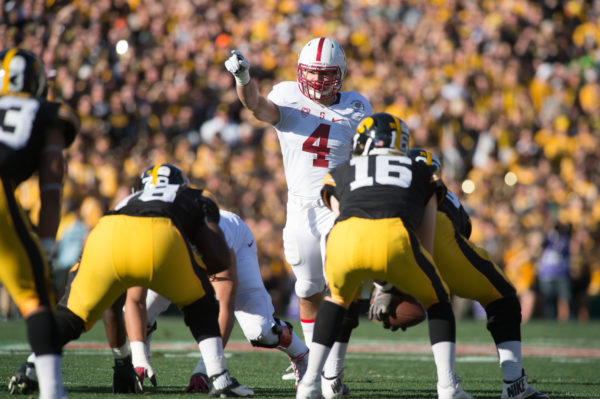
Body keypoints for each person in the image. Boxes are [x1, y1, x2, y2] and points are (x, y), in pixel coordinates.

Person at [10, 164, 254, 398]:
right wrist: (206, 267)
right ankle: (219, 377)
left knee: (71, 316)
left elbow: (115, 307)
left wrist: (123, 361)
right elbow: (219, 257)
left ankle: (31, 364)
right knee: (200, 302)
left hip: (104, 234)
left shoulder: (126, 201)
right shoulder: (195, 195)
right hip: (160, 234)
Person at [225, 37, 373, 395]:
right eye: (313, 74)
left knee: (340, 287)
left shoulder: (357, 105)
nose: (319, 82)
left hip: (339, 205)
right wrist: (243, 78)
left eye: (326, 75)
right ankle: (311, 363)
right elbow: (256, 106)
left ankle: (330, 374)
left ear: (340, 75)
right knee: (307, 288)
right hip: (300, 206)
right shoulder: (288, 95)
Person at [296, 113, 473, 399]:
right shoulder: (422, 171)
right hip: (393, 239)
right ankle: (448, 387)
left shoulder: (341, 170)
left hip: (343, 241)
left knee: (337, 300)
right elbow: (424, 245)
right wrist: (393, 285)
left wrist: (367, 281)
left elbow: (340, 221)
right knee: (439, 299)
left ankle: (310, 385)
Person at [370, 148, 549, 399]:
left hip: (388, 241)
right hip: (441, 235)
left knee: (339, 296)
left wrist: (385, 287)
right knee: (502, 296)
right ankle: (513, 384)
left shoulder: (381, 186)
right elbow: (463, 228)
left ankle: (328, 376)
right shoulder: (439, 189)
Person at [123, 208, 309, 392]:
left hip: (237, 243)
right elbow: (134, 302)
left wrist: (205, 371)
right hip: (190, 253)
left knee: (260, 330)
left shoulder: (212, 239)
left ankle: (301, 355)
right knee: (144, 309)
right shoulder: (149, 240)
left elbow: (224, 308)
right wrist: (139, 359)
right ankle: (139, 366)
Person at [1, 47, 79, 399]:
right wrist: (46, 246)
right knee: (38, 296)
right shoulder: (48, 113)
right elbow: (51, 186)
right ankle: (51, 391)